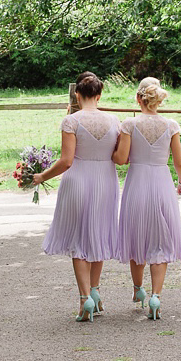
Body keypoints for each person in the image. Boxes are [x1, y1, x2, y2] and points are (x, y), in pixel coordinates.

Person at [33, 72, 120, 322]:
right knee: (99, 236)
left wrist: (42, 177)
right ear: (100, 95)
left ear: (77, 95)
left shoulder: (71, 121)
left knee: (79, 240)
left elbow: (67, 161)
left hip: (79, 180)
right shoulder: (115, 121)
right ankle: (96, 291)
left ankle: (85, 299)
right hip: (106, 180)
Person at [112, 77, 181, 320]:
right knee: (160, 239)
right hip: (162, 183)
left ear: (138, 99)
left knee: (137, 238)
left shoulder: (129, 125)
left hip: (137, 183)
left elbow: (122, 158)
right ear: (159, 100)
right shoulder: (172, 125)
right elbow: (178, 161)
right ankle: (156, 296)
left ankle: (138, 290)